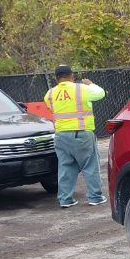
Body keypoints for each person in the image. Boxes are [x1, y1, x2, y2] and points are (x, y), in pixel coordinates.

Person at [44, 65, 107, 208]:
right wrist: (91, 84)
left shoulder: (50, 94)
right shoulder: (81, 89)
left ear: (56, 78)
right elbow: (100, 93)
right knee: (90, 166)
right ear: (71, 76)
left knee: (66, 167)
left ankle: (65, 199)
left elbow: (51, 107)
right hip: (82, 133)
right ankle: (95, 197)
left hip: (61, 136)